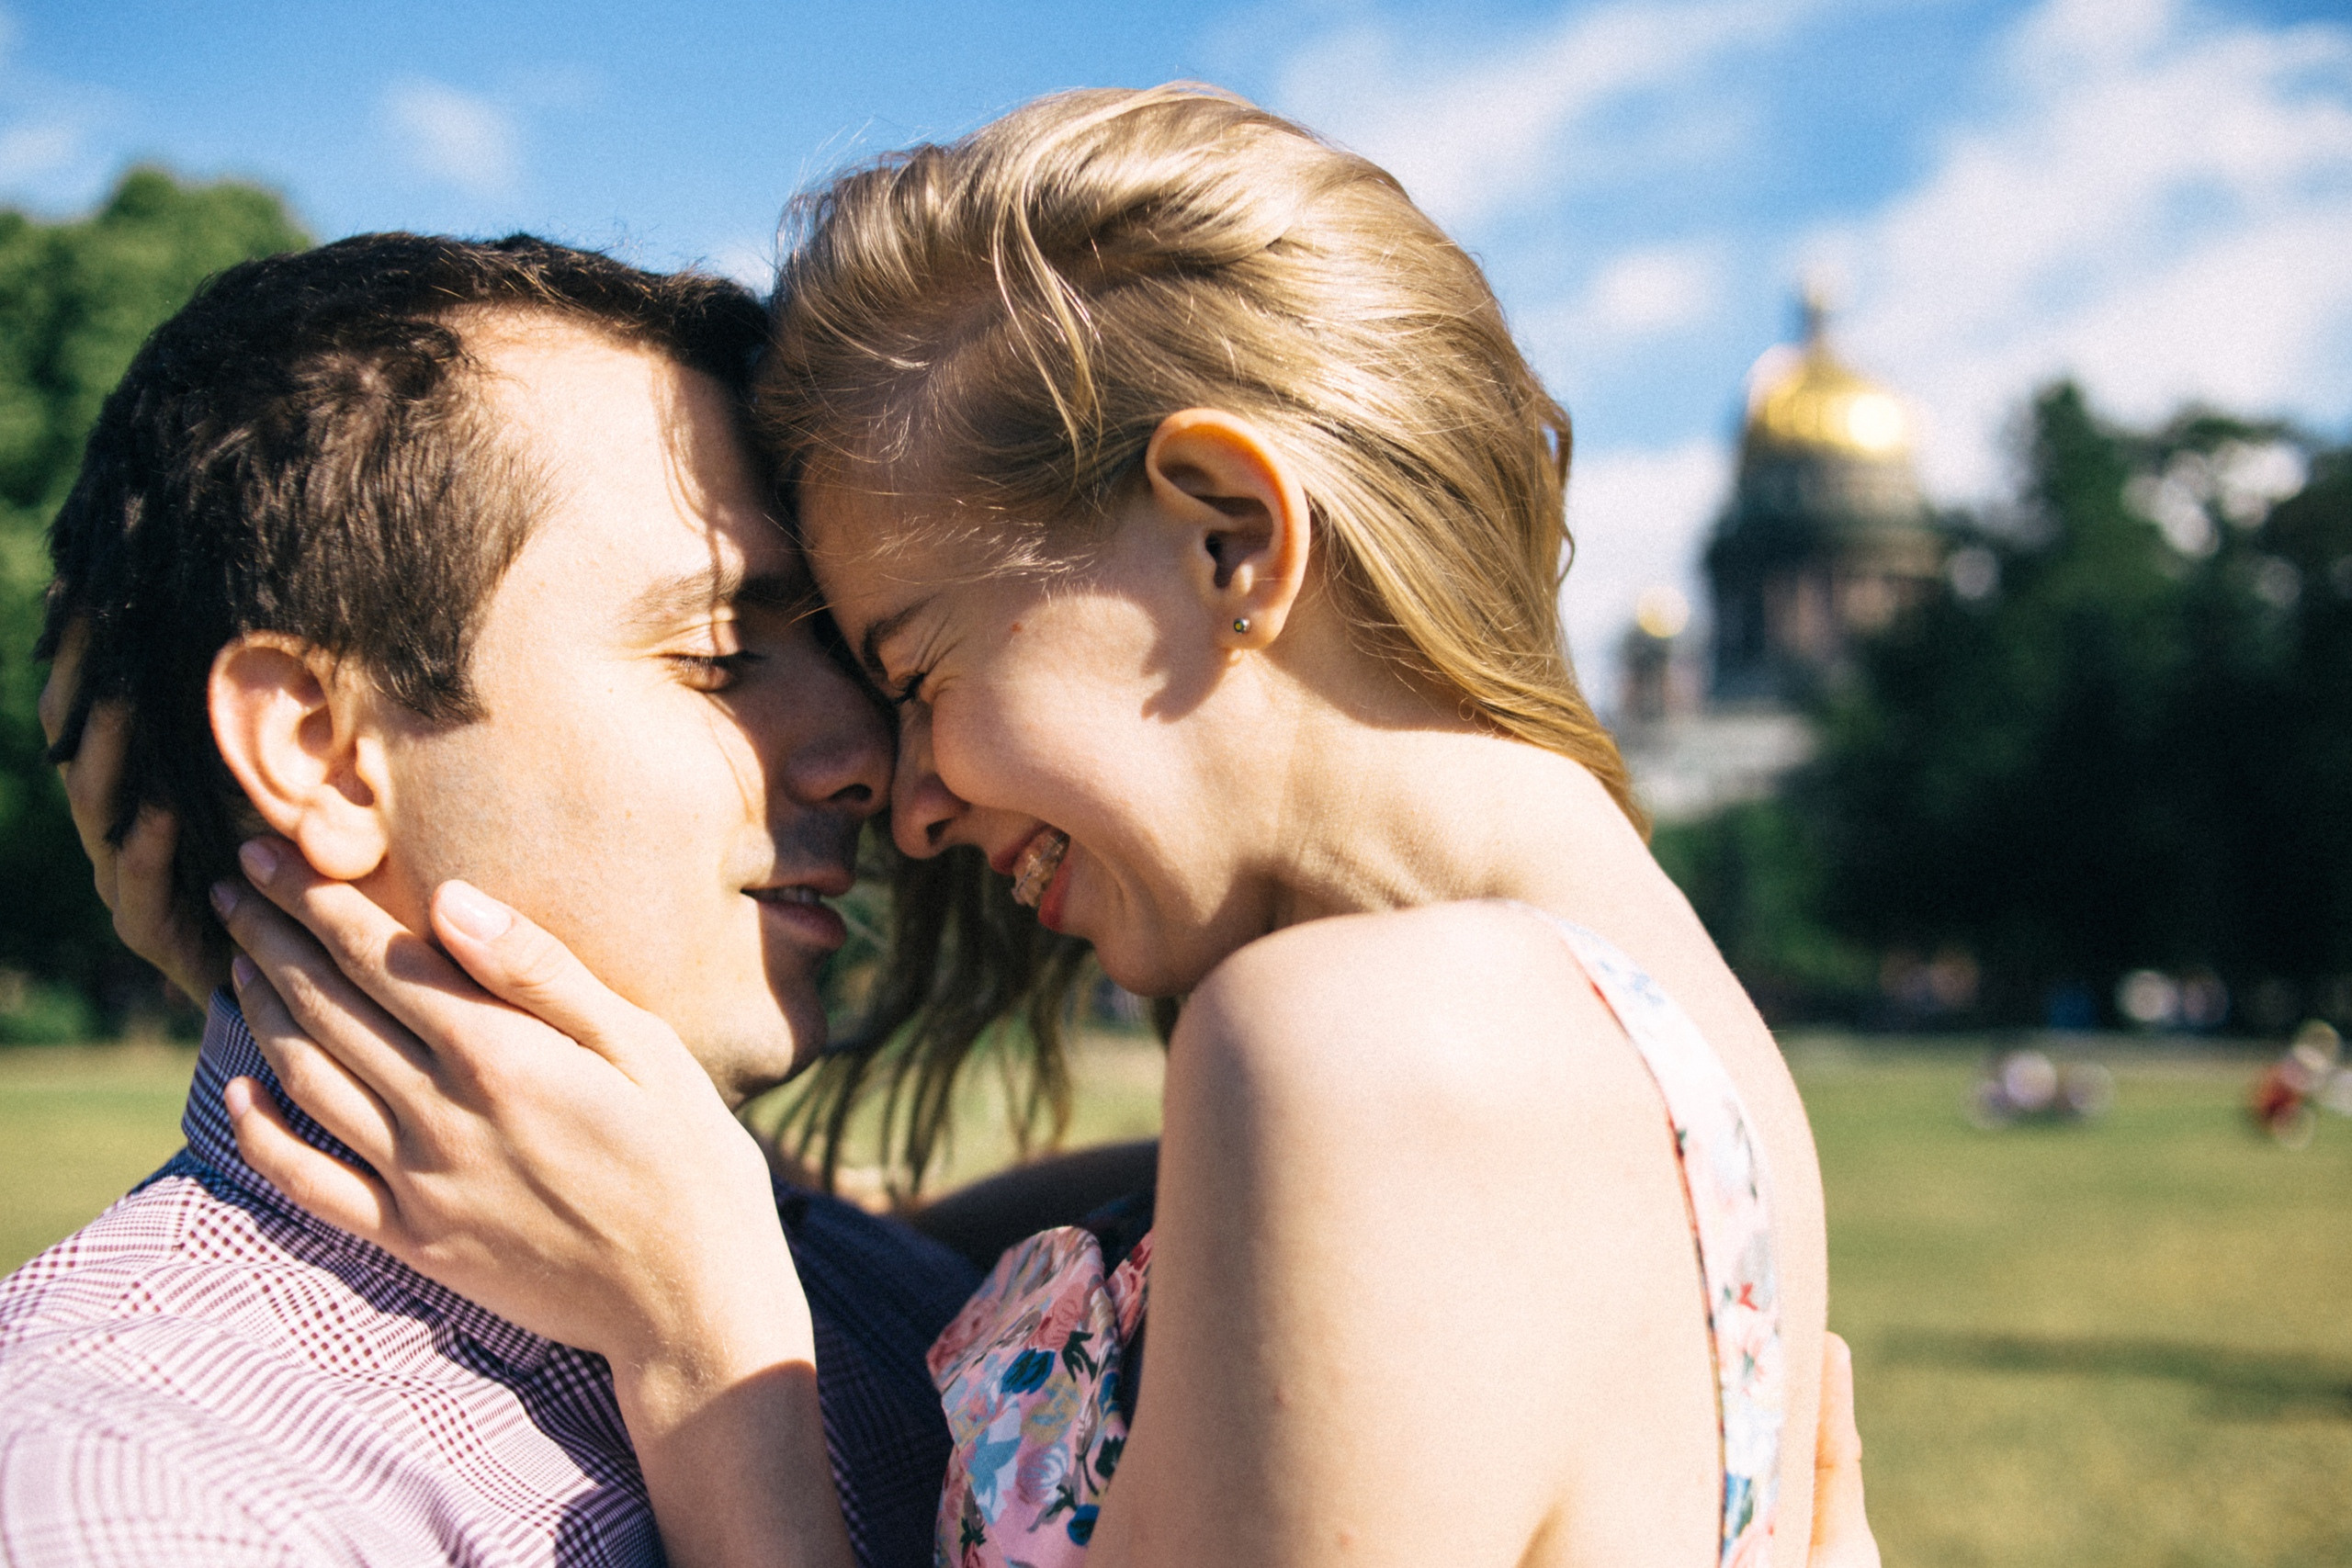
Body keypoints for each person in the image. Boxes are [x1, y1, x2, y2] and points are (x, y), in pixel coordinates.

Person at [206, 85, 1871, 1568]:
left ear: (1228, 540)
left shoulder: (1371, 1057)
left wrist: (711, 1360)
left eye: (921, 668)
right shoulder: (1647, 1061)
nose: (909, 802)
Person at [2, 232, 1026, 1568]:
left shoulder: (906, 1305)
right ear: (313, 743)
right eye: (719, 659)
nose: (873, 753)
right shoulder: (148, 1502)